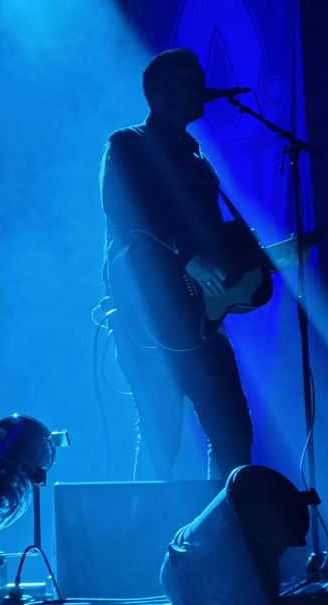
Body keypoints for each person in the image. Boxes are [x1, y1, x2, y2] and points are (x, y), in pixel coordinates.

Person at [99, 47, 254, 483]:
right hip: (149, 314)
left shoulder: (195, 157)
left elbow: (211, 237)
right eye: (190, 81)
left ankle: (227, 535)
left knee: (234, 435)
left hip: (201, 319)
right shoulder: (129, 144)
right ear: (158, 93)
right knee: (159, 436)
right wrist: (187, 257)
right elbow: (127, 208)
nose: (201, 89)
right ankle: (144, 540)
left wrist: (257, 257)